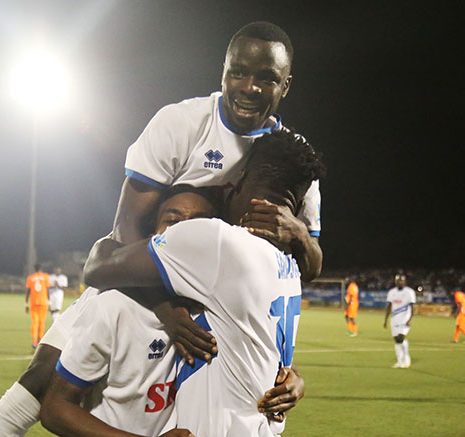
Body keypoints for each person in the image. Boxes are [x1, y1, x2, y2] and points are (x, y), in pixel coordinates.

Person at [0, 187, 304, 437]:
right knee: (22, 401)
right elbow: (55, 406)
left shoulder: (220, 299)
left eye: (195, 225)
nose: (182, 233)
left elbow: (256, 344)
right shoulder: (111, 303)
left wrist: (292, 378)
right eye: (172, 221)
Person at [81, 130, 325, 437]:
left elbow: (99, 267)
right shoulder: (287, 263)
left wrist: (118, 234)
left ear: (240, 181)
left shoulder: (218, 243)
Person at [97, 21, 324, 365]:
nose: (249, 88)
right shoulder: (181, 124)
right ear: (224, 73)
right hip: (144, 294)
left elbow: (310, 266)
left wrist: (298, 234)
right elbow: (127, 225)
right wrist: (168, 310)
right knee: (46, 375)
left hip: (220, 326)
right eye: (238, 73)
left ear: (286, 85)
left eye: (267, 78)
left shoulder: (292, 157)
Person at [383, 274, 416, 368]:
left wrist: (409, 319)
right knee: (397, 340)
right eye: (398, 281)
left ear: (405, 282)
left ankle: (406, 357)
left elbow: (412, 307)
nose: (399, 282)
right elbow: (389, 306)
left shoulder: (409, 292)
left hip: (404, 318)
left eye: (401, 281)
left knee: (401, 337)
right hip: (394, 318)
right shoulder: (391, 292)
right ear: (395, 282)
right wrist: (385, 320)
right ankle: (399, 361)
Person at [25, 264, 50, 348]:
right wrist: (49, 302)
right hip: (43, 302)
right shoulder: (46, 277)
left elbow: (28, 291)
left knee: (35, 322)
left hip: (34, 302)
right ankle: (40, 340)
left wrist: (26, 303)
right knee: (42, 322)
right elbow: (47, 290)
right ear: (41, 269)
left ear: (34, 269)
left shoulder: (30, 278)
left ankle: (34, 341)